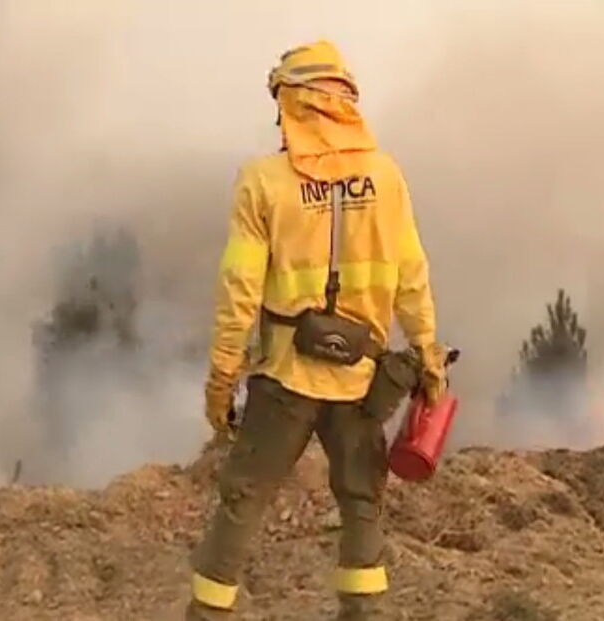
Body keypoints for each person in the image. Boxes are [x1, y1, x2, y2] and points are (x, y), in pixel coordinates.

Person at [186, 40, 447, 620]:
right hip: (362, 381)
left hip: (284, 378)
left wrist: (223, 379)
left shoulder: (262, 182)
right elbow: (412, 276)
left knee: (244, 499)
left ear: (292, 104)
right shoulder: (385, 178)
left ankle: (207, 615)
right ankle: (364, 614)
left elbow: (239, 294)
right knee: (361, 502)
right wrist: (429, 355)